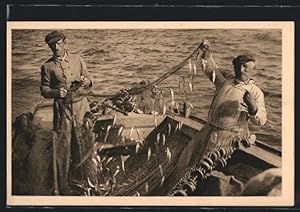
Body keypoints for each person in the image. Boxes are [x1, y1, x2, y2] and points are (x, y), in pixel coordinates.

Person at [40, 31, 93, 195]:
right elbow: (44, 90)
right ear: (50, 46)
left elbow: (90, 80)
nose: (56, 47)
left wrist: (86, 82)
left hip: (82, 106)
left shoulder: (78, 59)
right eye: (52, 45)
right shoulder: (47, 67)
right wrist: (56, 93)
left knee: (84, 141)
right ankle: (63, 185)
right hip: (63, 109)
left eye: (59, 43)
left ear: (65, 42)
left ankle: (86, 179)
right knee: (64, 146)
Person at [197, 39, 267, 132]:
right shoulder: (226, 80)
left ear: (253, 69)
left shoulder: (255, 92)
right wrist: (206, 52)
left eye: (245, 66)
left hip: (231, 135)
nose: (241, 70)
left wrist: (252, 106)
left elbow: (261, 121)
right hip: (210, 129)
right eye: (238, 66)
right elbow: (211, 69)